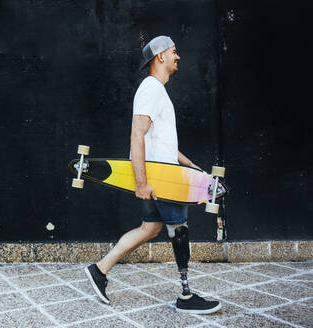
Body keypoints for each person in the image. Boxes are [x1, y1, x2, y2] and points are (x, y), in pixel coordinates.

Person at [84, 36, 221, 314]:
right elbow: (137, 135)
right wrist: (142, 182)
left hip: (162, 174)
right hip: (161, 180)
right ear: (160, 56)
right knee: (178, 230)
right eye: (174, 52)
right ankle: (185, 296)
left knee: (151, 228)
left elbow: (162, 142)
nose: (177, 56)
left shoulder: (157, 90)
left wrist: (189, 164)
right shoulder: (151, 89)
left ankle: (99, 270)